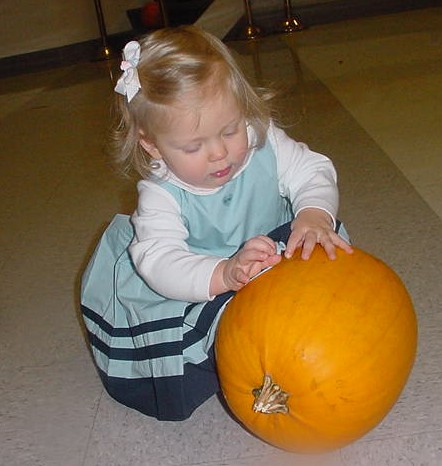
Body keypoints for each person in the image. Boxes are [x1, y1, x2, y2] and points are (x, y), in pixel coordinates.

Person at [81, 25, 353, 421]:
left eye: (230, 129)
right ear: (152, 144)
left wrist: (313, 213)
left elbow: (311, 171)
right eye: (194, 146)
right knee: (212, 345)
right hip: (203, 279)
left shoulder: (262, 141)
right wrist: (223, 273)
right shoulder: (161, 194)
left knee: (327, 253)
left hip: (277, 253)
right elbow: (162, 261)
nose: (220, 153)